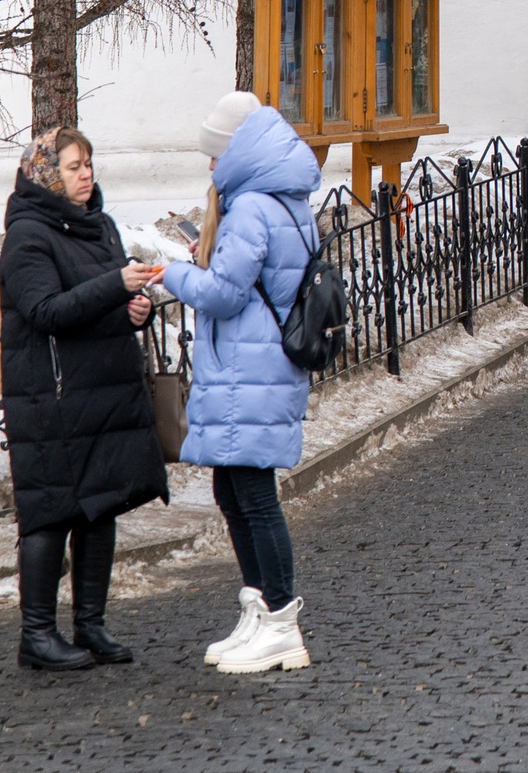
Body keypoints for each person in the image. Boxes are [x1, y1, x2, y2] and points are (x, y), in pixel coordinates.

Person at [161, 91, 323, 675]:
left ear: (235, 151)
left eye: (213, 155)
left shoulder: (252, 206)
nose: (209, 166)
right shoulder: (279, 197)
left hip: (250, 373)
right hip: (253, 370)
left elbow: (226, 293)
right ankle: (259, 612)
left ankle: (281, 622)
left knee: (253, 496)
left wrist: (174, 272)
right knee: (233, 492)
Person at [0, 128, 168, 671]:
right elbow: (46, 311)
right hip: (53, 397)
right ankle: (37, 634)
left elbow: (99, 305)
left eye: (88, 163)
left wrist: (131, 310)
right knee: (50, 514)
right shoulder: (27, 235)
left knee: (101, 504)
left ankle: (90, 625)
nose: (85, 174)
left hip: (103, 395)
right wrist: (115, 287)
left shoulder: (100, 226)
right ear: (47, 175)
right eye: (73, 166)